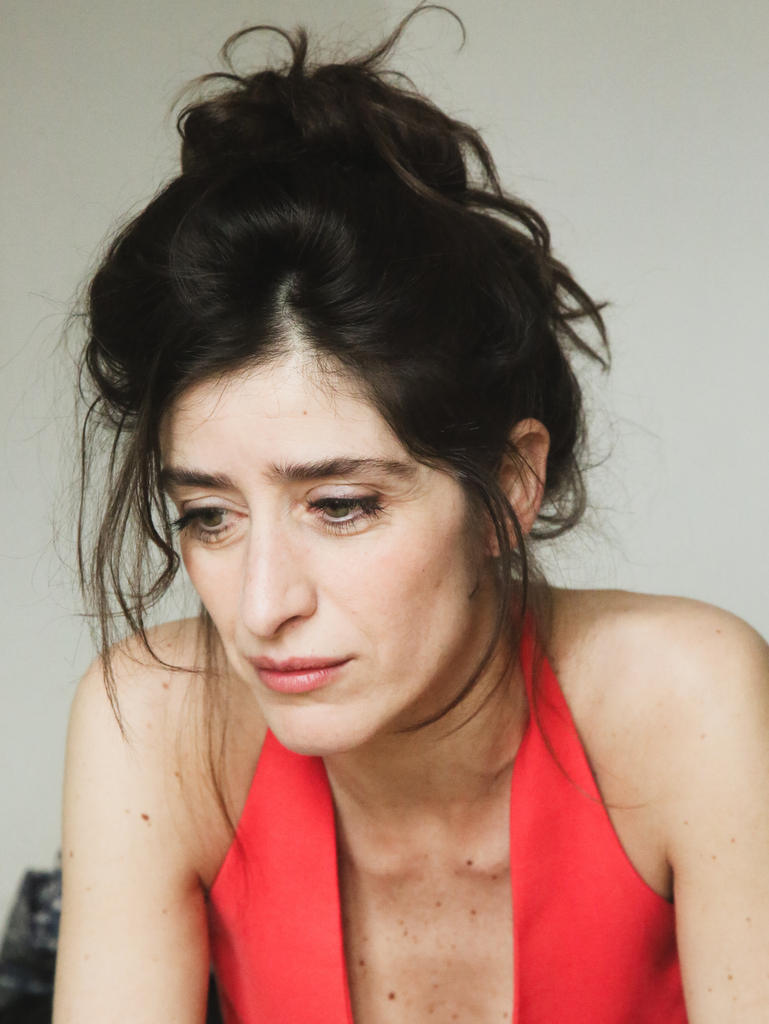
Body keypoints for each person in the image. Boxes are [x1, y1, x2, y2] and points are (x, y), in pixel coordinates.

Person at [52, 10, 769, 1024]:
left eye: (341, 506)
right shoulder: (159, 723)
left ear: (509, 487)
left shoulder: (682, 701)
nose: (261, 606)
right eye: (209, 515)